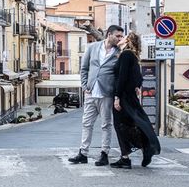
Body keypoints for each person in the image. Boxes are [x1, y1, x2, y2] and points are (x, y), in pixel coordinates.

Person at [69, 25, 125, 166]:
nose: (120, 39)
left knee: (106, 125)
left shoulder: (120, 52)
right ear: (109, 34)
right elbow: (84, 68)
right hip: (91, 92)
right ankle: (83, 153)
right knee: (86, 124)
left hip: (107, 93)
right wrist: (84, 86)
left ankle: (104, 153)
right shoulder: (93, 48)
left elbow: (120, 74)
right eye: (117, 36)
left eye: (121, 36)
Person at [109, 32, 161, 169]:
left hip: (124, 96)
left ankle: (126, 157)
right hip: (130, 96)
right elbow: (138, 76)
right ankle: (145, 148)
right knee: (133, 123)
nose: (119, 39)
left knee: (121, 126)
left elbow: (122, 77)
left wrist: (117, 97)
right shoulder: (133, 56)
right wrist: (137, 86)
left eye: (122, 37)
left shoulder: (126, 55)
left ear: (128, 41)